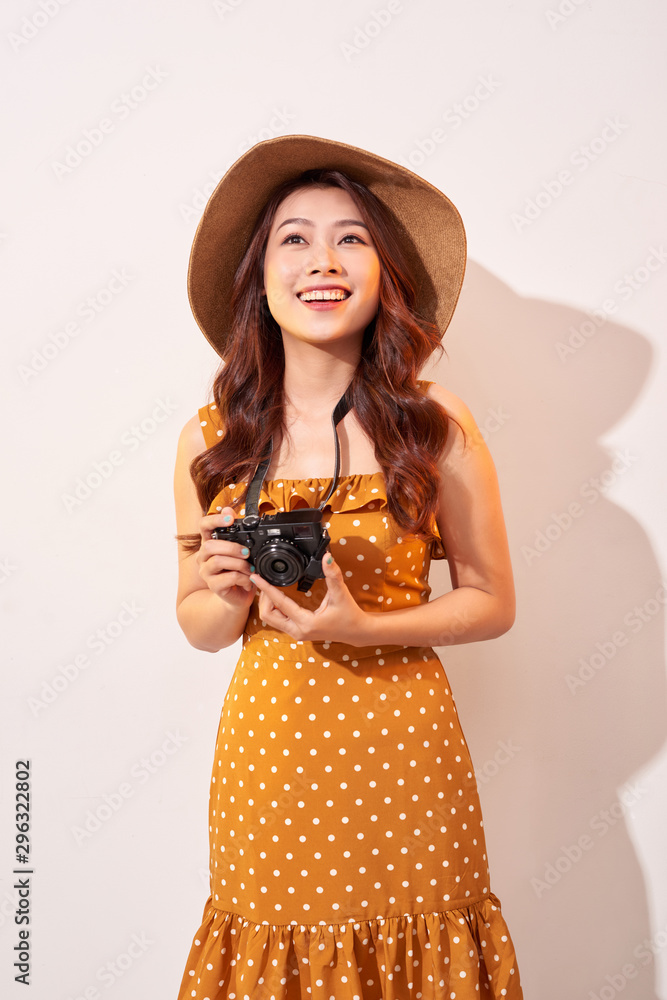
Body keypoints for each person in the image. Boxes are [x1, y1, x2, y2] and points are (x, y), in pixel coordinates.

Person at [173, 134, 523, 999]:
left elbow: (491, 600)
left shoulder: (434, 423)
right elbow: (199, 626)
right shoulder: (212, 439)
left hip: (405, 748)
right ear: (259, 275)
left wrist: (366, 627)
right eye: (294, 238)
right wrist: (221, 592)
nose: (321, 261)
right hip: (274, 751)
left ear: (383, 274)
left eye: (351, 238)